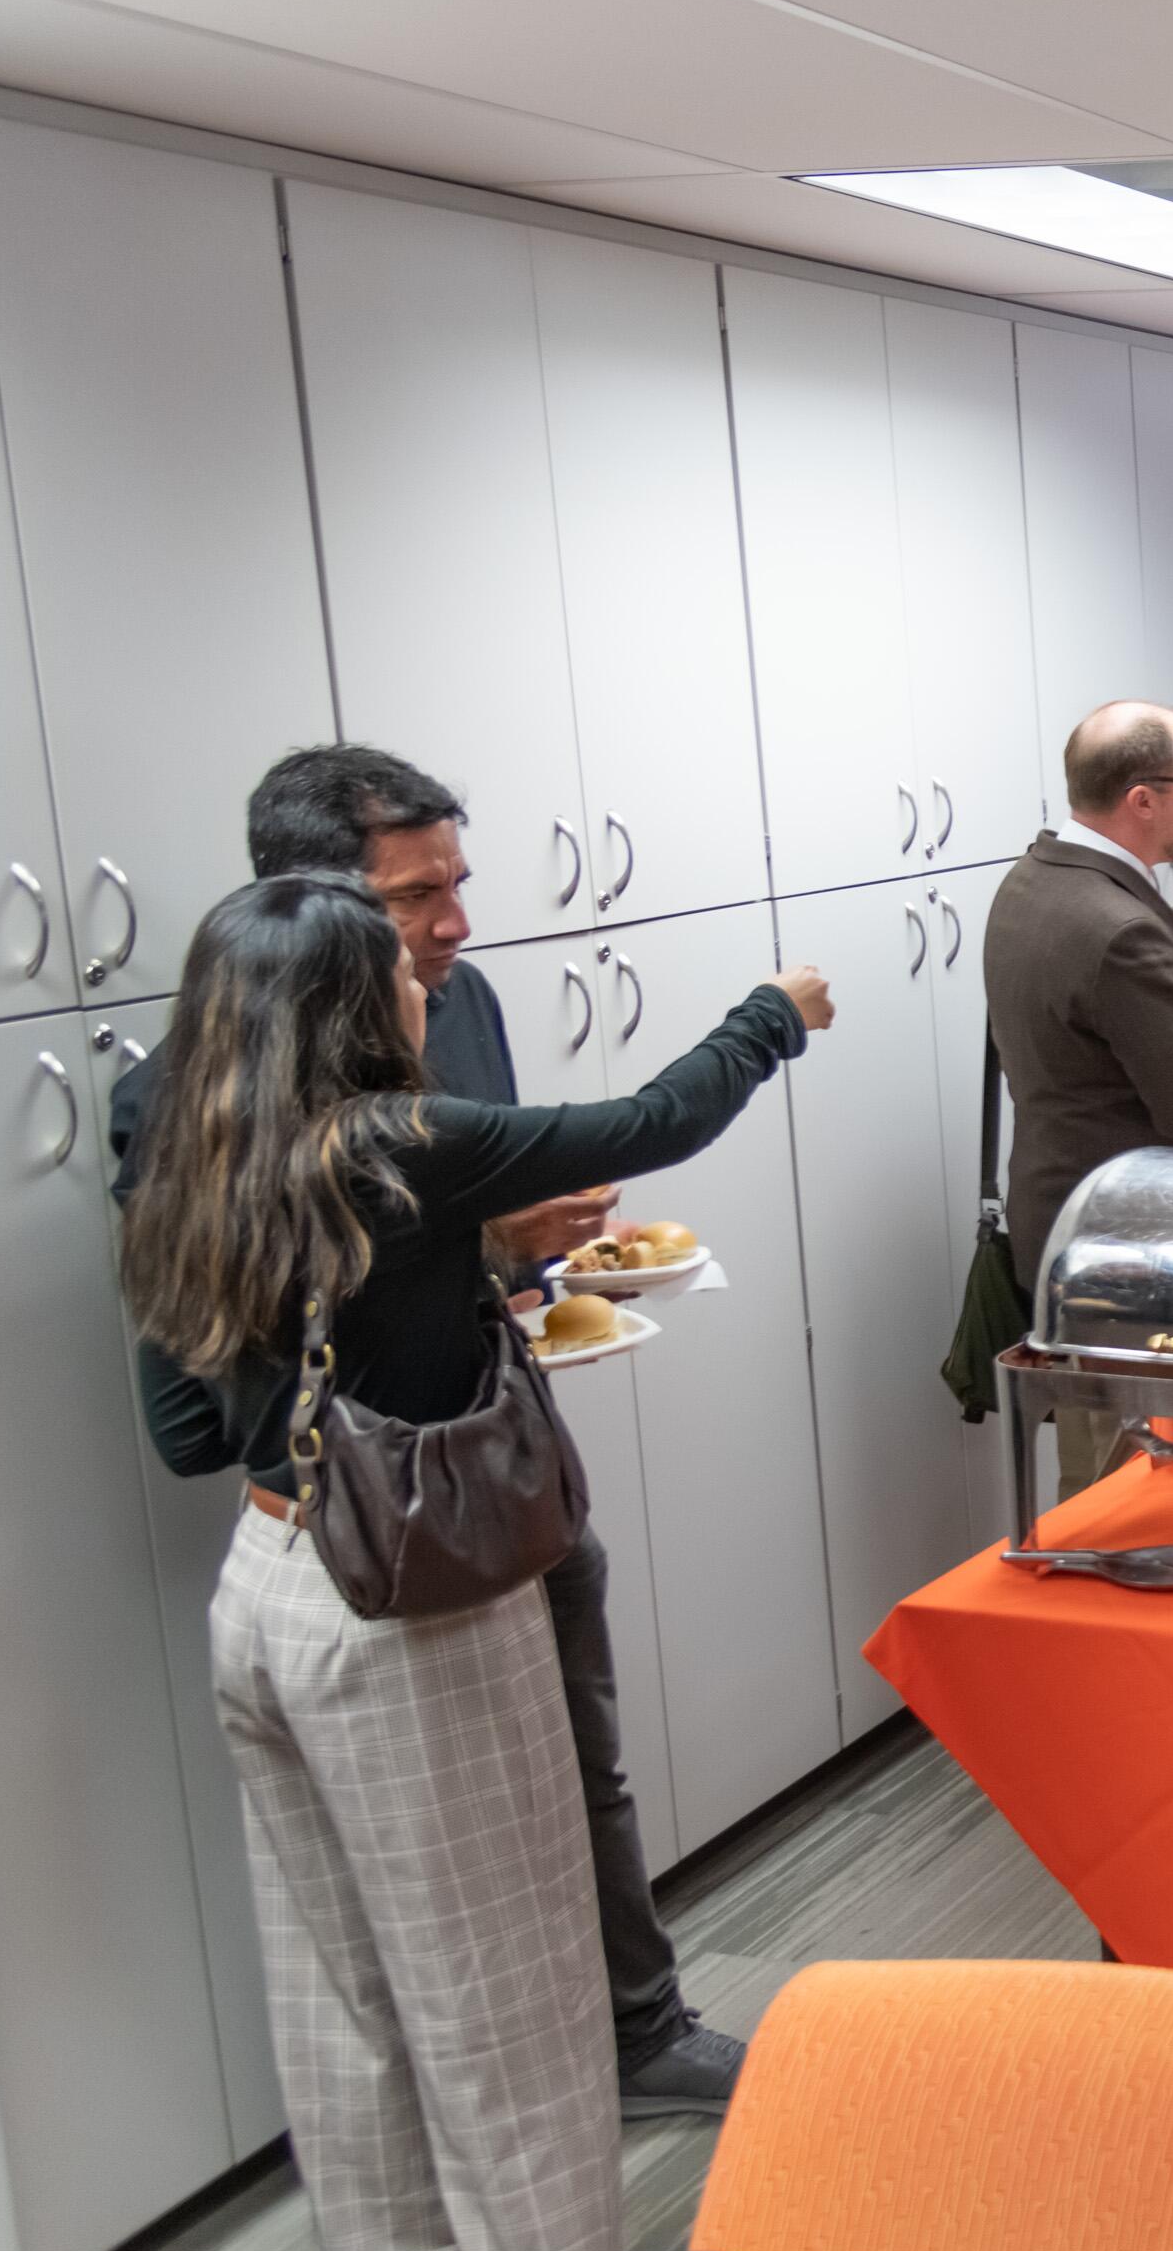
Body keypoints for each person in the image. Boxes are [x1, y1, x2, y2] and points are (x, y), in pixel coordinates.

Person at [118, 874, 830, 2251]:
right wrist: (776, 1014)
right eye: (402, 962)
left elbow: (203, 1403)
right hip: (405, 1607)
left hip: (266, 1583)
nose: (430, 980)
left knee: (346, 2007)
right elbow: (655, 1117)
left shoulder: (195, 1134)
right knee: (507, 2003)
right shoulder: (396, 1138)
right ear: (350, 1003)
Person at [104, 743, 745, 2123]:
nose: (453, 927)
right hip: (386, 1545)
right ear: (317, 905)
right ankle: (553, 2214)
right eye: (415, 899)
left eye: (460, 882)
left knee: (577, 1767)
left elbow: (471, 1250)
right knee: (478, 1986)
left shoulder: (467, 1003)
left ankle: (638, 2026)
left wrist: (505, 1248)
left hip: (493, 1469)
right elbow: (197, 1408)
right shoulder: (179, 1093)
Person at [984, 701, 1173, 1485]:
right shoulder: (1121, 926)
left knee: (1105, 1450)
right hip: (1128, 1244)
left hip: (1061, 1218)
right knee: (1124, 1476)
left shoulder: (1030, 881)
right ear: (1143, 799)